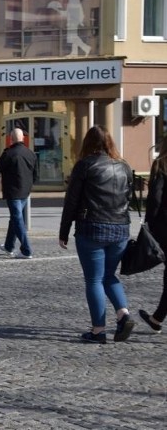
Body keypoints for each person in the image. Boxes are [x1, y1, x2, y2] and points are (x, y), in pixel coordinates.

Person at [59, 125, 135, 344]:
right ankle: (123, 313)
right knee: (109, 275)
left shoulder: (85, 165)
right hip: (120, 228)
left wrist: (64, 231)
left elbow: (71, 201)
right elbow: (128, 198)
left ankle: (98, 330)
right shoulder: (124, 166)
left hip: (92, 228)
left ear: (87, 143)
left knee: (93, 279)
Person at [0, 127, 38, 259]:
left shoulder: (9, 153)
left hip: (13, 191)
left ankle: (26, 250)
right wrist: (29, 186)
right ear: (23, 139)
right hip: (25, 192)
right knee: (15, 218)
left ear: (11, 139)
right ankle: (9, 246)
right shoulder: (31, 153)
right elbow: (36, 175)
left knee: (17, 218)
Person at [139, 138, 167, 333]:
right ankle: (157, 317)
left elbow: (155, 198)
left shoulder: (161, 163)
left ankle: (157, 318)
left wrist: (149, 223)